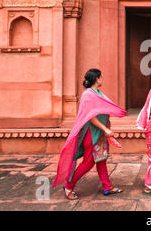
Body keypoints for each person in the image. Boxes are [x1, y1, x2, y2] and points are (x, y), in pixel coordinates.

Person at [52, 69, 127, 200]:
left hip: (99, 133)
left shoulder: (98, 93)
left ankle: (107, 186)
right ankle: (68, 185)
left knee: (101, 159)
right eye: (101, 77)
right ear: (97, 79)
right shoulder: (88, 95)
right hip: (91, 133)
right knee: (88, 162)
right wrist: (105, 129)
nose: (102, 79)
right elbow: (90, 116)